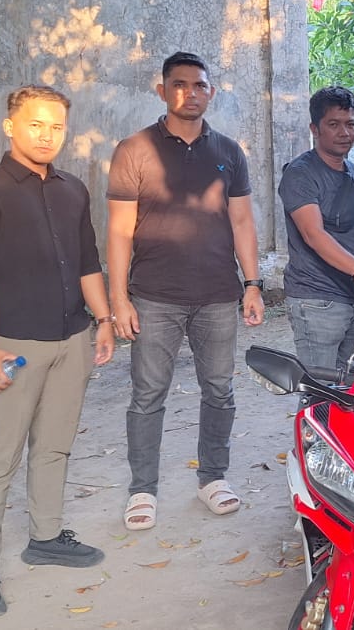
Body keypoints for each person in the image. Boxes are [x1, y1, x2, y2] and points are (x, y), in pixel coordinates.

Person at [0, 85, 116, 620]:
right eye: (35, 125)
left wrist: (104, 321)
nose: (47, 136)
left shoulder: (73, 190)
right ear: (10, 127)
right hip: (15, 346)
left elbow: (88, 262)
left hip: (72, 339)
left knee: (54, 445)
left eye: (56, 127)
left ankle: (45, 537)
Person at [107, 52, 265, 528]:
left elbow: (242, 222)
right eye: (179, 84)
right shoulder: (135, 150)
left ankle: (213, 478)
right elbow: (119, 230)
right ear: (162, 91)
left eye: (199, 85)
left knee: (219, 389)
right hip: (154, 295)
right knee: (148, 394)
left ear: (210, 92)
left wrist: (252, 284)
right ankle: (143, 489)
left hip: (218, 294)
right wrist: (118, 299)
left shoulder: (229, 152)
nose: (190, 93)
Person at [280, 86, 354, 373]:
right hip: (315, 298)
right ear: (315, 129)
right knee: (320, 388)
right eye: (333, 124)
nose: (344, 132)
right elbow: (313, 234)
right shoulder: (300, 173)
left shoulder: (352, 172)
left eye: (350, 124)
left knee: (352, 385)